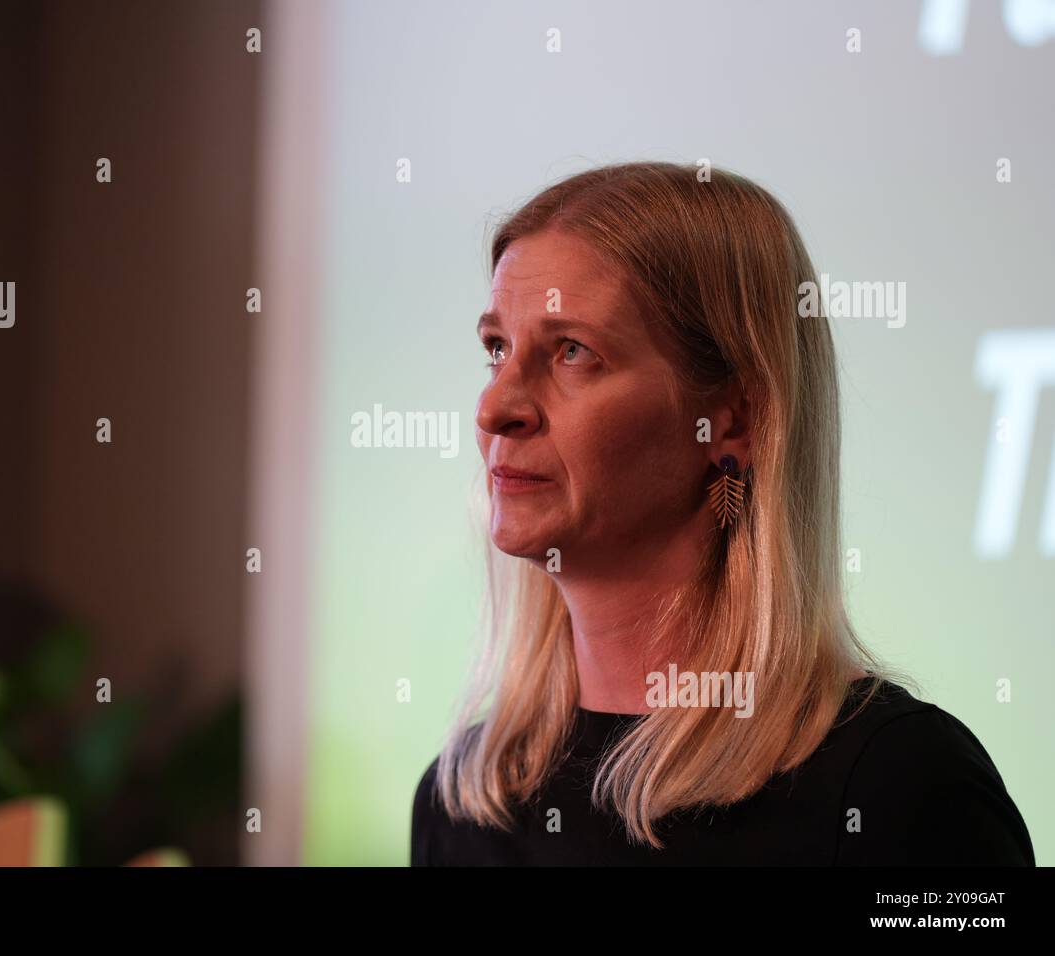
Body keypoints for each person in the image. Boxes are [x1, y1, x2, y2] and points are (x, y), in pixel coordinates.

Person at [410, 162, 1034, 865]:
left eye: (573, 352)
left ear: (735, 419)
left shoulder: (902, 791)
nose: (495, 407)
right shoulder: (465, 801)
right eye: (497, 348)